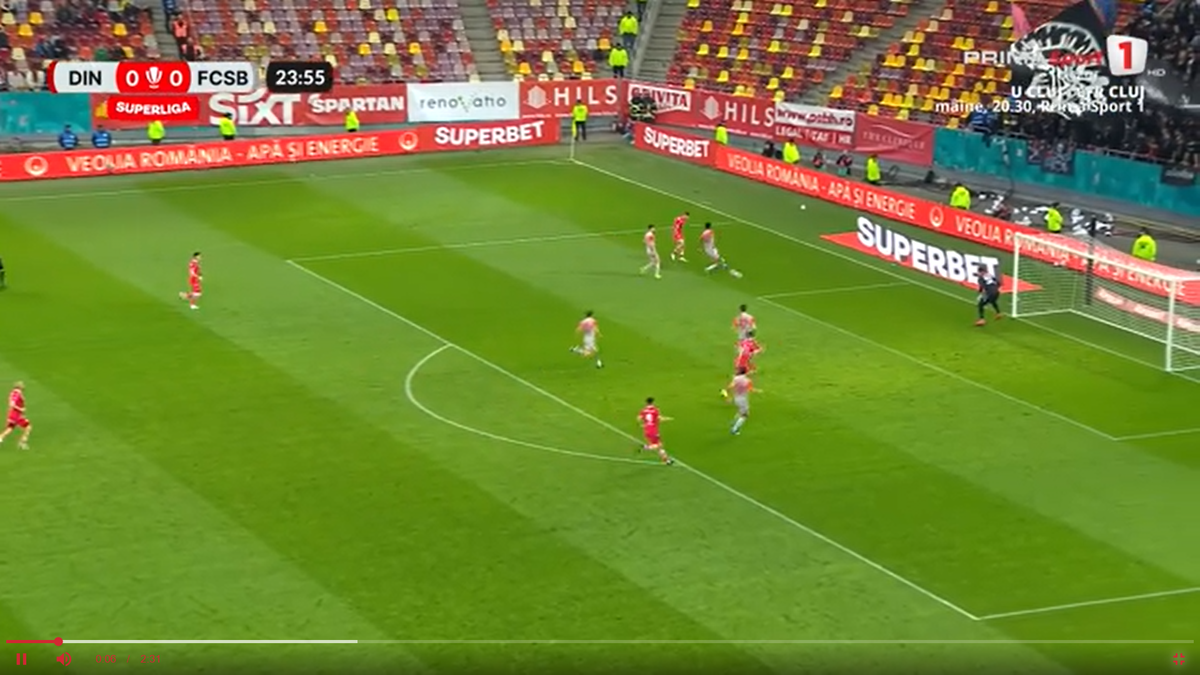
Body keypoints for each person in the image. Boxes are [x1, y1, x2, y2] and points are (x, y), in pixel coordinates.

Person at [637, 397, 674, 465]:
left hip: (647, 429)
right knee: (658, 445)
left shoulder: (643, 410)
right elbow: (660, 419)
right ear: (653, 402)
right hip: (653, 430)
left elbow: (639, 418)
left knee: (659, 446)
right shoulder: (655, 410)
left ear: (646, 403)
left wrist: (643, 424)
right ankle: (646, 447)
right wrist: (668, 419)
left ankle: (667, 461)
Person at [0, 381, 32, 450]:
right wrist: (21, 409)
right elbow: (12, 404)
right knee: (28, 427)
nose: (24, 386)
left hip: (12, 414)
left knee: (10, 428)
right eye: (22, 385)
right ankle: (22, 442)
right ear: (20, 387)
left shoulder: (13, 393)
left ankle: (1, 437)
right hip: (16, 415)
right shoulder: (17, 394)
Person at [727, 368, 758, 435]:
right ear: (746, 372)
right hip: (743, 399)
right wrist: (757, 391)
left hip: (736, 398)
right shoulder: (748, 381)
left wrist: (728, 397)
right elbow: (751, 389)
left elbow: (729, 387)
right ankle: (734, 429)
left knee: (740, 411)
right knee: (745, 415)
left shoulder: (736, 378)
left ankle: (733, 422)